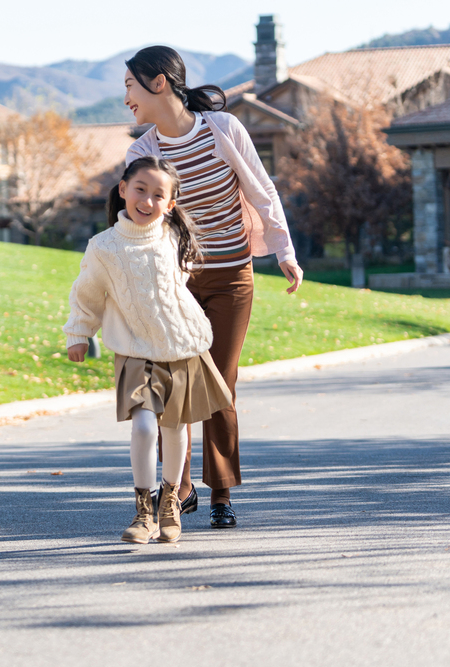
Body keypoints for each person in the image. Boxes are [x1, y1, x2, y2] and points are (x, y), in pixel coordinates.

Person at [123, 46, 304, 528]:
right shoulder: (143, 153)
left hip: (231, 277)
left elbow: (261, 189)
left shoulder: (223, 129)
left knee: (220, 383)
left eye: (130, 86)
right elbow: (136, 223)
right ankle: (177, 487)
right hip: (175, 283)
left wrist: (283, 250)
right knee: (174, 382)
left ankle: (221, 490)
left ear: (159, 83)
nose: (126, 99)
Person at [64, 156, 232, 545]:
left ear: (170, 203)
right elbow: (86, 293)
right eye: (140, 189)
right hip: (136, 352)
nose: (148, 200)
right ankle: (144, 511)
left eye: (159, 195)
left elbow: (181, 276)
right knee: (144, 426)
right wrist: (78, 333)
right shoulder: (103, 246)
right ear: (123, 189)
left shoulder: (174, 237)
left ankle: (170, 502)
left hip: (182, 347)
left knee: (174, 429)